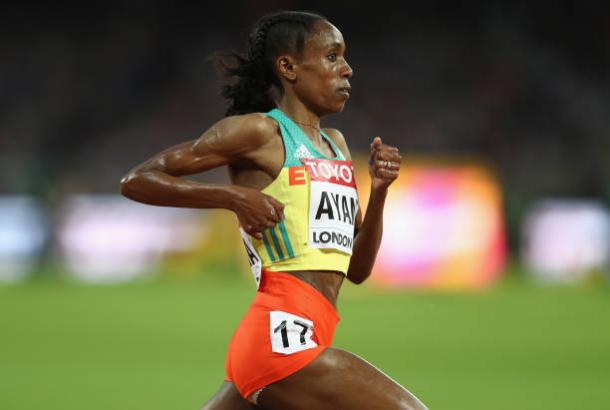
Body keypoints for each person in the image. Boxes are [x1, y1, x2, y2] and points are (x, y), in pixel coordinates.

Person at [120, 10, 427, 410]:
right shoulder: (259, 132)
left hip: (305, 333)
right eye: (332, 56)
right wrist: (231, 198)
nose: (348, 69)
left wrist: (381, 192)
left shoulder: (335, 145)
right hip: (279, 339)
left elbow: (357, 269)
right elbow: (137, 180)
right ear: (288, 66)